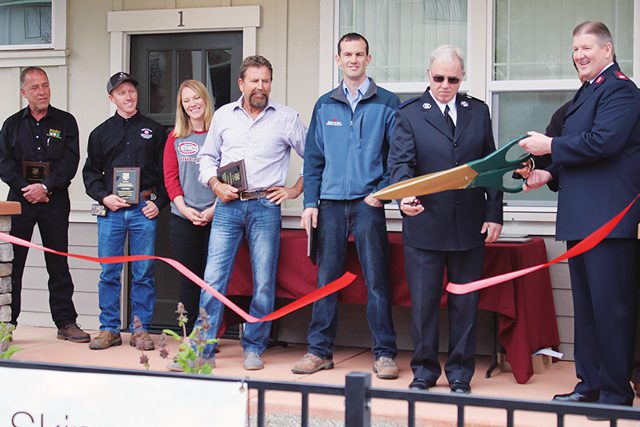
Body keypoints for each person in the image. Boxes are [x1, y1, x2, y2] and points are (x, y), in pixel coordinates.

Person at [520, 21, 640, 406]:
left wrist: (550, 144)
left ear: (608, 50)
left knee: (611, 310)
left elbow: (603, 143)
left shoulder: (620, 90)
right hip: (582, 217)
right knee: (587, 312)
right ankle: (589, 385)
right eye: (574, 49)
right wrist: (546, 174)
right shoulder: (587, 93)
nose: (579, 55)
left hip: (609, 221)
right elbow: (579, 151)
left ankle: (615, 392)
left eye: (586, 47)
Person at [388, 45, 503, 393]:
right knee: (423, 303)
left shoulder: (478, 112)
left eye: (452, 79)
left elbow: (492, 166)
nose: (445, 85)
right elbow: (400, 165)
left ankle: (459, 374)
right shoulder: (408, 113)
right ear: (428, 75)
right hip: (425, 222)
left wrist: (494, 213)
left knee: (465, 302)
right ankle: (423, 371)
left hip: (469, 223)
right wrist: (403, 197)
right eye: (438, 78)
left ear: (461, 77)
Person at [292, 33, 399, 379]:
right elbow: (314, 159)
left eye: (359, 54)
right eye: (347, 54)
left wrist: (381, 192)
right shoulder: (325, 104)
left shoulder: (388, 102)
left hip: (370, 203)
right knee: (326, 279)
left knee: (377, 280)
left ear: (369, 58)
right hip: (331, 204)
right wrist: (310, 202)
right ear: (338, 59)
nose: (353, 60)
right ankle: (319, 351)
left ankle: (384, 354)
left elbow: (397, 157)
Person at [197, 55, 306, 370]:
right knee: (214, 277)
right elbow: (207, 157)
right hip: (228, 206)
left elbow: (315, 156)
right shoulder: (223, 116)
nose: (261, 86)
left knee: (263, 282)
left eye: (266, 80)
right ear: (241, 84)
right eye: (255, 81)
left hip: (265, 207)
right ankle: (202, 348)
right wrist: (215, 183)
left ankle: (254, 347)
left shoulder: (286, 118)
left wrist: (294, 190)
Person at [0, 67, 89, 343]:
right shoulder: (12, 124)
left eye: (46, 86)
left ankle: (66, 322)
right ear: (23, 92)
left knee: (58, 262)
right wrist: (27, 188)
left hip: (54, 200)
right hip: (20, 202)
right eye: (36, 87)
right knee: (13, 264)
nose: (42, 92)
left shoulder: (65, 121)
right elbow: (3, 162)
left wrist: (46, 186)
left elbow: (70, 162)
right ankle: (6, 324)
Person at [83, 72, 167, 351]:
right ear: (111, 98)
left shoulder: (155, 131)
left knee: (143, 272)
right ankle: (109, 329)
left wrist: (160, 201)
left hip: (144, 210)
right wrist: (104, 197)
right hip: (112, 212)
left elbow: (168, 174)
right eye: (121, 93)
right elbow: (90, 173)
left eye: (131, 91)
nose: (128, 97)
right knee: (109, 272)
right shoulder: (100, 133)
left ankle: (140, 329)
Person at [163, 79, 216, 336]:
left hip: (217, 216)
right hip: (183, 218)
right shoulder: (175, 137)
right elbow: (170, 178)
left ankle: (209, 333)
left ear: (205, 100)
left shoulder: (219, 133)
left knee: (213, 280)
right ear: (181, 107)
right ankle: (189, 336)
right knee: (189, 279)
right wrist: (184, 210)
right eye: (187, 100)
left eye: (196, 98)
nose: (193, 104)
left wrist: (214, 209)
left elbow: (230, 175)